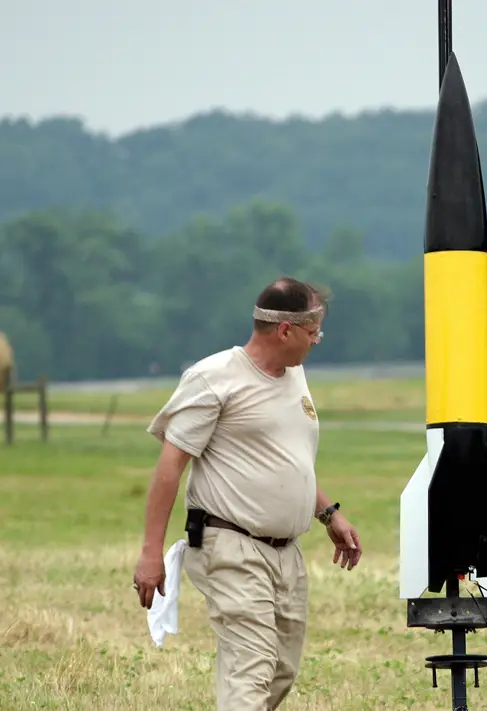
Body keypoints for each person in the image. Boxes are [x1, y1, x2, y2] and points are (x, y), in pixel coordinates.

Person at [132, 276, 363, 710]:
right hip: (231, 547)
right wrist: (150, 552)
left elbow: (286, 460)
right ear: (285, 330)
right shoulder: (214, 378)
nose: (317, 342)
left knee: (280, 671)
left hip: (286, 553)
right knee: (252, 665)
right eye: (314, 332)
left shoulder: (295, 377)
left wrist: (329, 513)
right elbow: (169, 470)